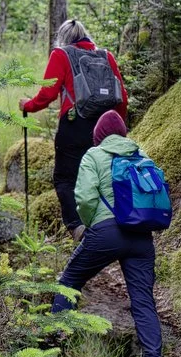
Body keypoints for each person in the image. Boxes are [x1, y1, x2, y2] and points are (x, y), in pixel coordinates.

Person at [52, 110, 164, 357]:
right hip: (141, 235)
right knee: (142, 299)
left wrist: (91, 226)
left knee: (69, 280)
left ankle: (53, 348)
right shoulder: (142, 156)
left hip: (105, 232)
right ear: (124, 134)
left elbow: (86, 198)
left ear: (98, 136)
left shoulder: (94, 155)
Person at [19, 18, 127, 241]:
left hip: (74, 124)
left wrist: (27, 105)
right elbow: (122, 98)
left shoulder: (61, 55)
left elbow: (48, 94)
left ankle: (78, 228)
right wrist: (118, 126)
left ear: (63, 38)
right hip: (105, 128)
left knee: (65, 179)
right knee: (102, 177)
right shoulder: (106, 56)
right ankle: (109, 226)